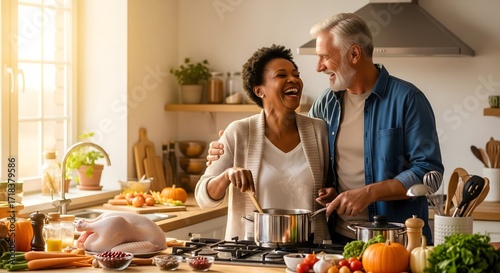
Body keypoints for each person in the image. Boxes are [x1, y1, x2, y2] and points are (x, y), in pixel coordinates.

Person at [206, 13, 444, 245]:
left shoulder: (408, 99)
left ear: (354, 54)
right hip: (339, 240)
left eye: (324, 57)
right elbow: (306, 152)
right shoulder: (326, 103)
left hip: (396, 240)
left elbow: (428, 174)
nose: (319, 67)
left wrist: (369, 193)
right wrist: (227, 146)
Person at [195, 44, 331, 243]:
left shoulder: (318, 131)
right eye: (281, 75)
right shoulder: (238, 132)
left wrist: (331, 194)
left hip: (309, 254)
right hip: (252, 253)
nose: (293, 79)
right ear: (259, 90)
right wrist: (228, 174)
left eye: (296, 74)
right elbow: (202, 197)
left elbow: (331, 187)